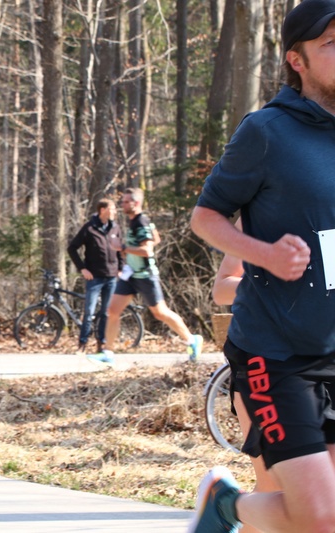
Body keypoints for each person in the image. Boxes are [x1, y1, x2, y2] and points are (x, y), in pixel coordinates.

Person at [187, 2, 335, 531]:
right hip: (276, 353)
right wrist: (265, 254)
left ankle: (226, 506)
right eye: (331, 44)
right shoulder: (268, 131)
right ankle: (225, 505)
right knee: (321, 518)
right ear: (297, 60)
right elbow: (205, 217)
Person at [211, 219, 280, 533]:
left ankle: (225, 506)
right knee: (273, 484)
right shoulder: (259, 215)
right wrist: (271, 282)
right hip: (263, 363)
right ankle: (223, 506)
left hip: (323, 363)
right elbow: (222, 287)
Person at [89, 187, 202, 365]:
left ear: (136, 203)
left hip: (145, 275)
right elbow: (156, 238)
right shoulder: (137, 221)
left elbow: (147, 250)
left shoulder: (141, 222)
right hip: (131, 275)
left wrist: (122, 248)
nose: (122, 204)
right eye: (122, 201)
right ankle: (108, 353)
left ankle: (192, 339)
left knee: (160, 312)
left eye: (126, 202)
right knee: (113, 310)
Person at [67, 198, 123, 355]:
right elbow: (72, 248)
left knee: (106, 312)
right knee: (89, 312)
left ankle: (101, 344)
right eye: (112, 208)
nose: (115, 211)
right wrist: (82, 268)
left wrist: (120, 268)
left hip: (111, 277)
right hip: (94, 277)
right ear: (102, 210)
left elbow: (119, 250)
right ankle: (82, 344)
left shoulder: (115, 228)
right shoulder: (89, 228)